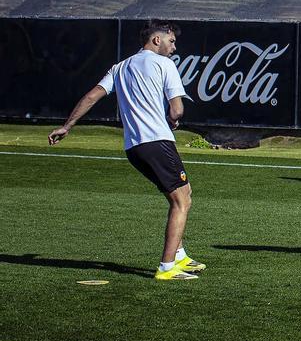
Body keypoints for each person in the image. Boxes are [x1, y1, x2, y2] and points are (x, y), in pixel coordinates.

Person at [48, 20, 204, 281]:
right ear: (157, 40)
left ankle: (178, 255)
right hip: (157, 141)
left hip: (134, 148)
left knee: (182, 193)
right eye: (172, 41)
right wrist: (172, 119)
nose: (174, 47)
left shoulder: (120, 67)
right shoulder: (165, 64)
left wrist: (67, 126)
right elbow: (177, 110)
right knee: (182, 200)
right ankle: (167, 267)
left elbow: (91, 96)